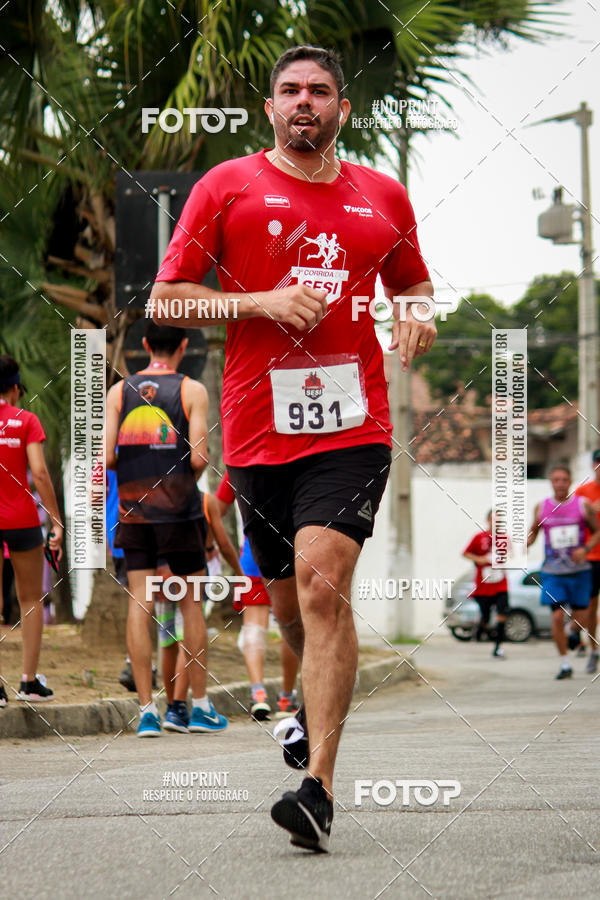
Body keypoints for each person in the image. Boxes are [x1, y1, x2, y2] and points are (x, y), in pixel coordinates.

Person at [151, 44, 435, 851]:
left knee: (322, 585)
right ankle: (309, 702)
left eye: (319, 90)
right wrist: (262, 301)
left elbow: (412, 280)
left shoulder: (382, 194)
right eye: (289, 90)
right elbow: (168, 295)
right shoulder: (226, 186)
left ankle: (318, 790)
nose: (304, 101)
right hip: (256, 431)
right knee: (286, 605)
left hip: (353, 427)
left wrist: (419, 310)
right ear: (269, 109)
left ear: (343, 109)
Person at [105, 322, 227, 737]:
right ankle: (198, 707)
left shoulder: (119, 392)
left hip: (134, 513)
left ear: (143, 346)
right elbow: (197, 459)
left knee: (140, 603)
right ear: (183, 346)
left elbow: (106, 457)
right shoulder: (193, 391)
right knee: (191, 603)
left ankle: (146, 713)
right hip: (179, 513)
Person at [0, 354, 63, 705]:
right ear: (14, 387)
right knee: (29, 600)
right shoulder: (26, 421)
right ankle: (28, 683)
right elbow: (39, 473)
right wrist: (56, 520)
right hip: (22, 520)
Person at [215, 472, 300, 721]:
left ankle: (258, 693)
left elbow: (217, 509)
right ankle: (286, 696)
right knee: (292, 624)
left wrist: (214, 545)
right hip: (293, 552)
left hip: (253, 553)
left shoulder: (239, 461)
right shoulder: (297, 456)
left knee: (254, 627)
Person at [160, 491, 246, 733]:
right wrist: (240, 574)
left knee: (168, 640)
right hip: (194, 570)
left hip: (160, 572)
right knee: (188, 635)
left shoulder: (156, 495)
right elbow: (225, 543)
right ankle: (178, 707)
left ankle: (170, 708)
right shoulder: (205, 501)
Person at [527, 465, 600, 679]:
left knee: (582, 618)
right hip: (553, 572)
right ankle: (565, 664)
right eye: (556, 480)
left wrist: (585, 549)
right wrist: (528, 542)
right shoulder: (542, 507)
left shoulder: (582, 505)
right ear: (551, 482)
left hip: (579, 570)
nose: (560, 483)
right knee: (557, 616)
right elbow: (534, 530)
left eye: (564, 480)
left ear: (570, 482)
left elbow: (597, 532)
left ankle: (571, 632)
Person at [462, 511, 509, 657]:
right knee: (486, 616)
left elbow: (512, 556)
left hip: (500, 583)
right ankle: (484, 627)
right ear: (488, 520)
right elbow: (466, 553)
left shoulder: (505, 539)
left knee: (502, 613)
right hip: (484, 584)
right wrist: (480, 559)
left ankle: (498, 647)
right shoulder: (479, 537)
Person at [574, 449, 600, 673]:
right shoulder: (583, 492)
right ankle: (593, 650)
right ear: (593, 466)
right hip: (591, 558)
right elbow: (570, 518)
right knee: (590, 608)